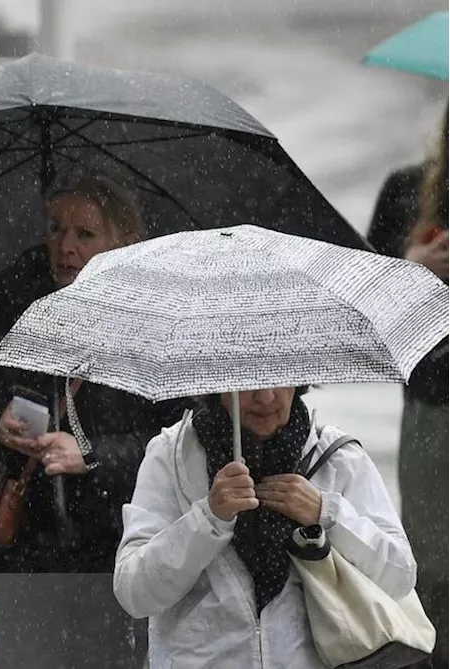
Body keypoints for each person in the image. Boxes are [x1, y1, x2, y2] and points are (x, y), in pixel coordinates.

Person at [0, 164, 185, 668]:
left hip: (117, 549)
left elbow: (183, 444)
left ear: (127, 240)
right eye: (56, 228)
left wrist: (91, 456)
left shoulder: (156, 314)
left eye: (85, 233)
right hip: (23, 549)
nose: (65, 246)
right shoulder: (16, 293)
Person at [113, 387, 415, 667]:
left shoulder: (337, 457)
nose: (266, 397)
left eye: (281, 382)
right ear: (218, 383)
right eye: (248, 385)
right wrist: (208, 518)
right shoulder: (170, 455)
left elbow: (400, 576)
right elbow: (134, 593)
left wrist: (327, 513)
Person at [369, 111, 450, 668]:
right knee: (435, 571)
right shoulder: (406, 191)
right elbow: (361, 298)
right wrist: (409, 267)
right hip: (433, 406)